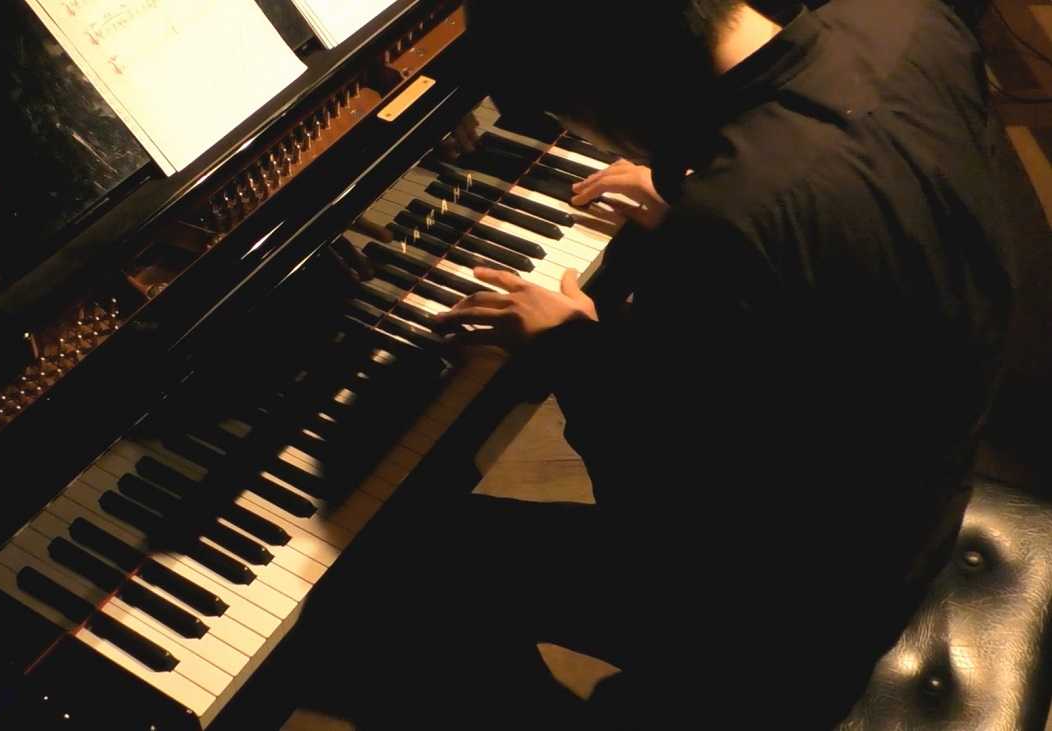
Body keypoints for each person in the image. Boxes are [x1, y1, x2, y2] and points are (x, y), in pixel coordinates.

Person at [295, 0, 1020, 728]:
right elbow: (868, 224)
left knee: (407, 558)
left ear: (609, 91)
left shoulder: (731, 225)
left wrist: (568, 346)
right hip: (922, 486)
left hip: (798, 606)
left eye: (570, 116)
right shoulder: (909, 21)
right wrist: (690, 189)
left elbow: (659, 510)